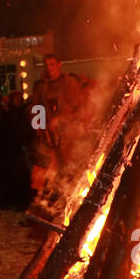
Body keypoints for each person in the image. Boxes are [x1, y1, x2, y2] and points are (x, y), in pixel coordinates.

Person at [28, 53, 84, 205]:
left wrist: (61, 120)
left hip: (67, 136)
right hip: (49, 137)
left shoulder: (69, 83)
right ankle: (42, 205)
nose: (49, 68)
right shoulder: (42, 87)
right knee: (45, 170)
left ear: (59, 65)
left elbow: (78, 109)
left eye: (52, 64)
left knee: (69, 170)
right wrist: (39, 129)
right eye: (47, 65)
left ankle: (70, 203)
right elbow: (37, 108)